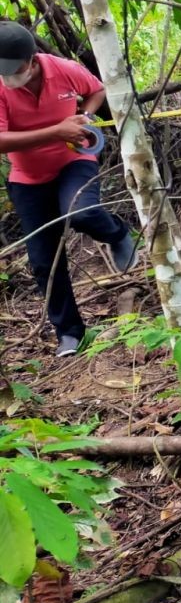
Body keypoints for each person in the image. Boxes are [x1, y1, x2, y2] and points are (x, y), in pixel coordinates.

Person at [0, 22, 136, 357]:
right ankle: (70, 333)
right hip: (28, 180)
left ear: (32, 60)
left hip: (74, 160)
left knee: (82, 213)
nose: (7, 77)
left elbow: (97, 89)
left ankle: (118, 233)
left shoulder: (64, 69)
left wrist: (85, 116)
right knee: (44, 261)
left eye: (13, 70)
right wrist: (56, 131)